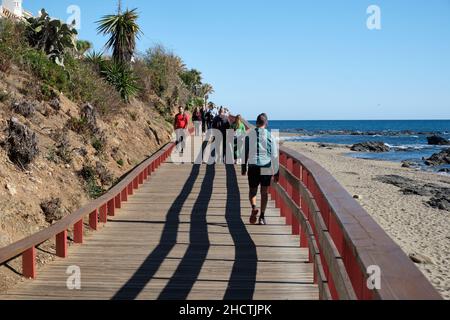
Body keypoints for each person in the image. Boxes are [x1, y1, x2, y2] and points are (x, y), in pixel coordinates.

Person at [241, 113, 278, 225]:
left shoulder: (249, 135)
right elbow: (274, 156)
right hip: (266, 166)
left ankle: (253, 208)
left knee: (253, 190)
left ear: (256, 123)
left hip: (253, 166)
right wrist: (276, 172)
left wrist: (243, 168)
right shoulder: (270, 136)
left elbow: (244, 153)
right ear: (266, 123)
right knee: (264, 192)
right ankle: (262, 217)